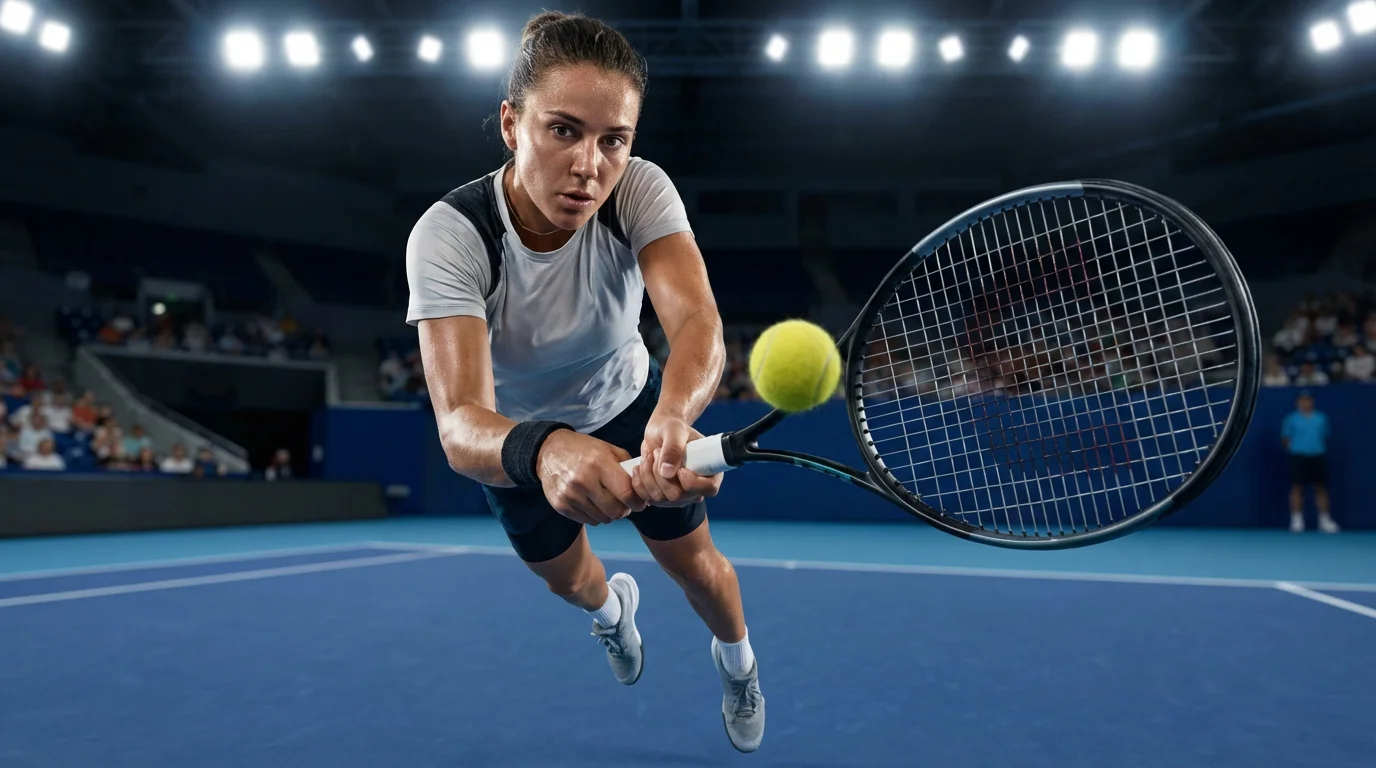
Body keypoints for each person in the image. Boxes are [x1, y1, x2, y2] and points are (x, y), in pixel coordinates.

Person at [404, 11, 764, 753]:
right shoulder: (450, 235)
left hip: (629, 403)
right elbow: (460, 423)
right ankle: (612, 615)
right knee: (569, 581)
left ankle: (739, 665)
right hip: (516, 436)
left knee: (698, 569)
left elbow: (697, 323)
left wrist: (673, 414)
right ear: (512, 125)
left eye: (613, 139)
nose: (589, 165)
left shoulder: (640, 191)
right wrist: (545, 449)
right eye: (563, 130)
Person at [1281, 390, 1339, 533]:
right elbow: (1286, 439)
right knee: (1297, 488)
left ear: (1312, 402)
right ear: (1298, 402)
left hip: (1317, 456)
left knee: (1321, 488)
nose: (1305, 403)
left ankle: (1324, 520)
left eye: (1308, 400)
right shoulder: (1291, 419)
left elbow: (1324, 436)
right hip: (1298, 457)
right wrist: (1297, 449)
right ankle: (1296, 520)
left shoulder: (1321, 418)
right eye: (1302, 400)